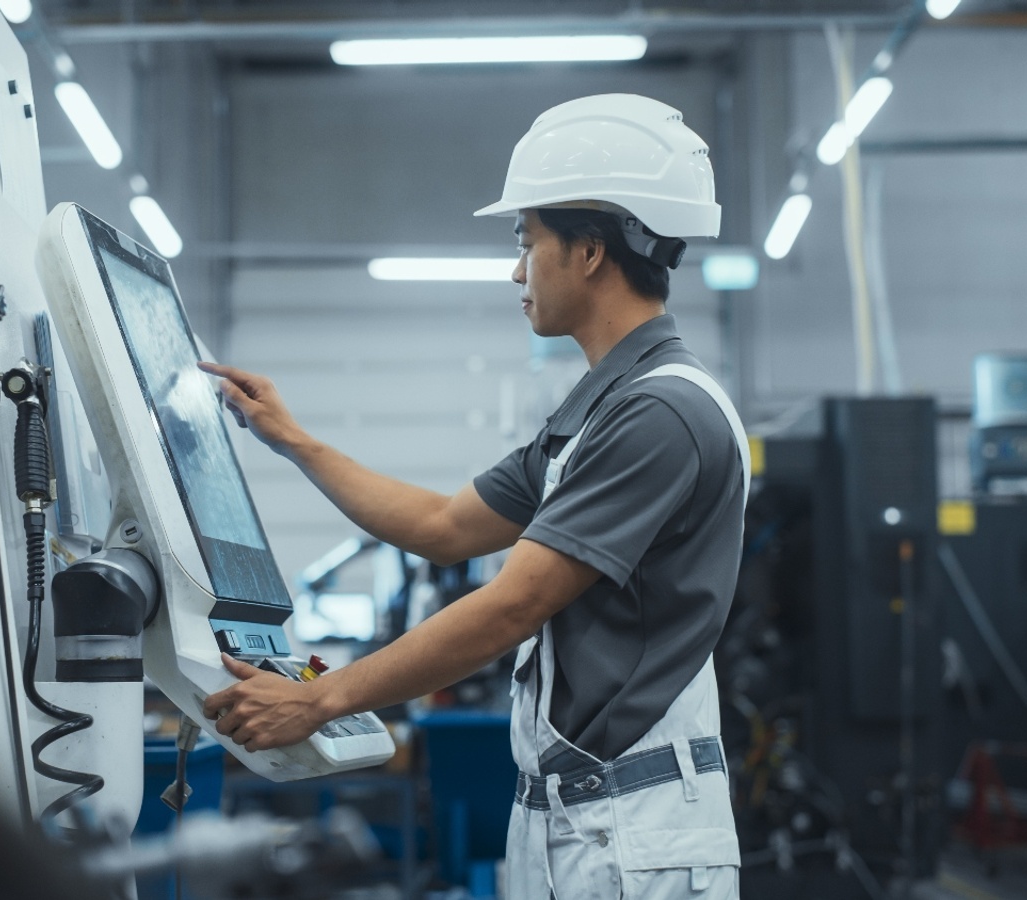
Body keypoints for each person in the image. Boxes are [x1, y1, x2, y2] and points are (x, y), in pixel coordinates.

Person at [200, 94, 748, 900]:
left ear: (590, 251)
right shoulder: (599, 410)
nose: (517, 269)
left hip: (632, 836)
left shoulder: (660, 413)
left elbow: (510, 607)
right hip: (578, 823)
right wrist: (292, 439)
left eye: (528, 241)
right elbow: (442, 526)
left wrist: (320, 700)